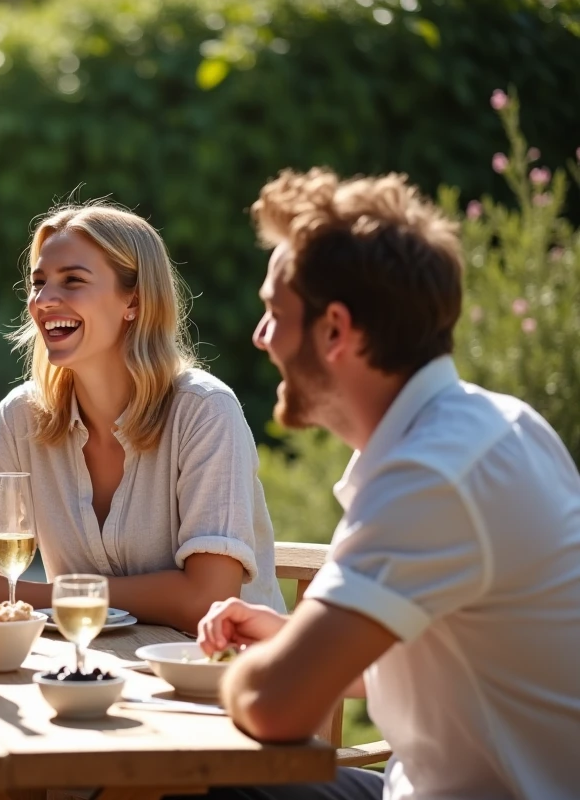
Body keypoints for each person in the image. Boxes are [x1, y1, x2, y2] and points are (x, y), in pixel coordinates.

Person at [196, 168, 580, 799]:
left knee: (195, 789)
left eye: (274, 312)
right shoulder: (497, 426)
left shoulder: (430, 476)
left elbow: (271, 703)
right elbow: (451, 680)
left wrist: (259, 671)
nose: (260, 337)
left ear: (336, 330)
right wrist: (295, 638)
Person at [0, 201, 287, 634]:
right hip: (87, 674)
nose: (44, 300)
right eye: (38, 283)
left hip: (219, 684)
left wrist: (41, 598)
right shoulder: (22, 416)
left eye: (72, 281)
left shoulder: (205, 412)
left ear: (133, 301)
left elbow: (206, 601)